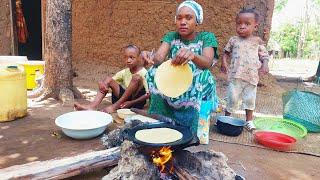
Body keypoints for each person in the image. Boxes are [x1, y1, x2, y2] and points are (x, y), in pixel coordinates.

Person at [143, 0, 219, 133]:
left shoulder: (206, 37)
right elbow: (159, 57)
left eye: (188, 18)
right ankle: (162, 117)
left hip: (195, 83)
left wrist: (193, 56)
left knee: (204, 76)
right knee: (153, 72)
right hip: (175, 83)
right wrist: (150, 57)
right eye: (179, 18)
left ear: (197, 21)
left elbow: (207, 62)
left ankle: (193, 125)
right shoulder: (171, 36)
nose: (183, 22)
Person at [220, 8, 270, 131]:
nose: (242, 27)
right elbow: (226, 53)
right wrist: (224, 63)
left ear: (255, 26)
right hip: (235, 76)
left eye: (247, 24)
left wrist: (265, 64)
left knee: (250, 99)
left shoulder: (257, 41)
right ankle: (226, 118)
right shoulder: (233, 40)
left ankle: (249, 121)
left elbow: (264, 55)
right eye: (239, 23)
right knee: (232, 97)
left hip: (251, 77)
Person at [74, 44, 149, 113]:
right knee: (108, 79)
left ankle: (114, 107)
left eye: (132, 57)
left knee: (136, 78)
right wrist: (101, 83)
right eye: (125, 57)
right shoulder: (125, 71)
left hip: (135, 103)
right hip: (124, 101)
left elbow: (149, 94)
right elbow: (109, 81)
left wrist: (131, 102)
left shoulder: (144, 72)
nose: (128, 60)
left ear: (139, 58)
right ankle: (92, 106)